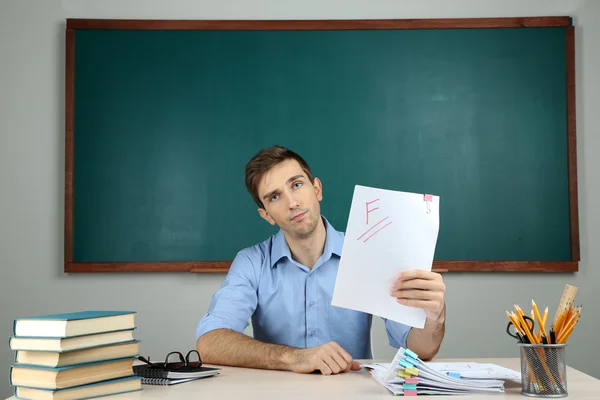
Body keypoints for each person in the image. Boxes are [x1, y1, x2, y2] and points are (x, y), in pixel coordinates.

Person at [196, 146, 446, 375]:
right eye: (274, 197)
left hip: (351, 392)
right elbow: (210, 342)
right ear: (266, 215)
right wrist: (294, 358)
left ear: (317, 189)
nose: (292, 203)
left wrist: (435, 317)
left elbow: (421, 350)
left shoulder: (367, 252)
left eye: (296, 185)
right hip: (278, 393)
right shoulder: (251, 262)